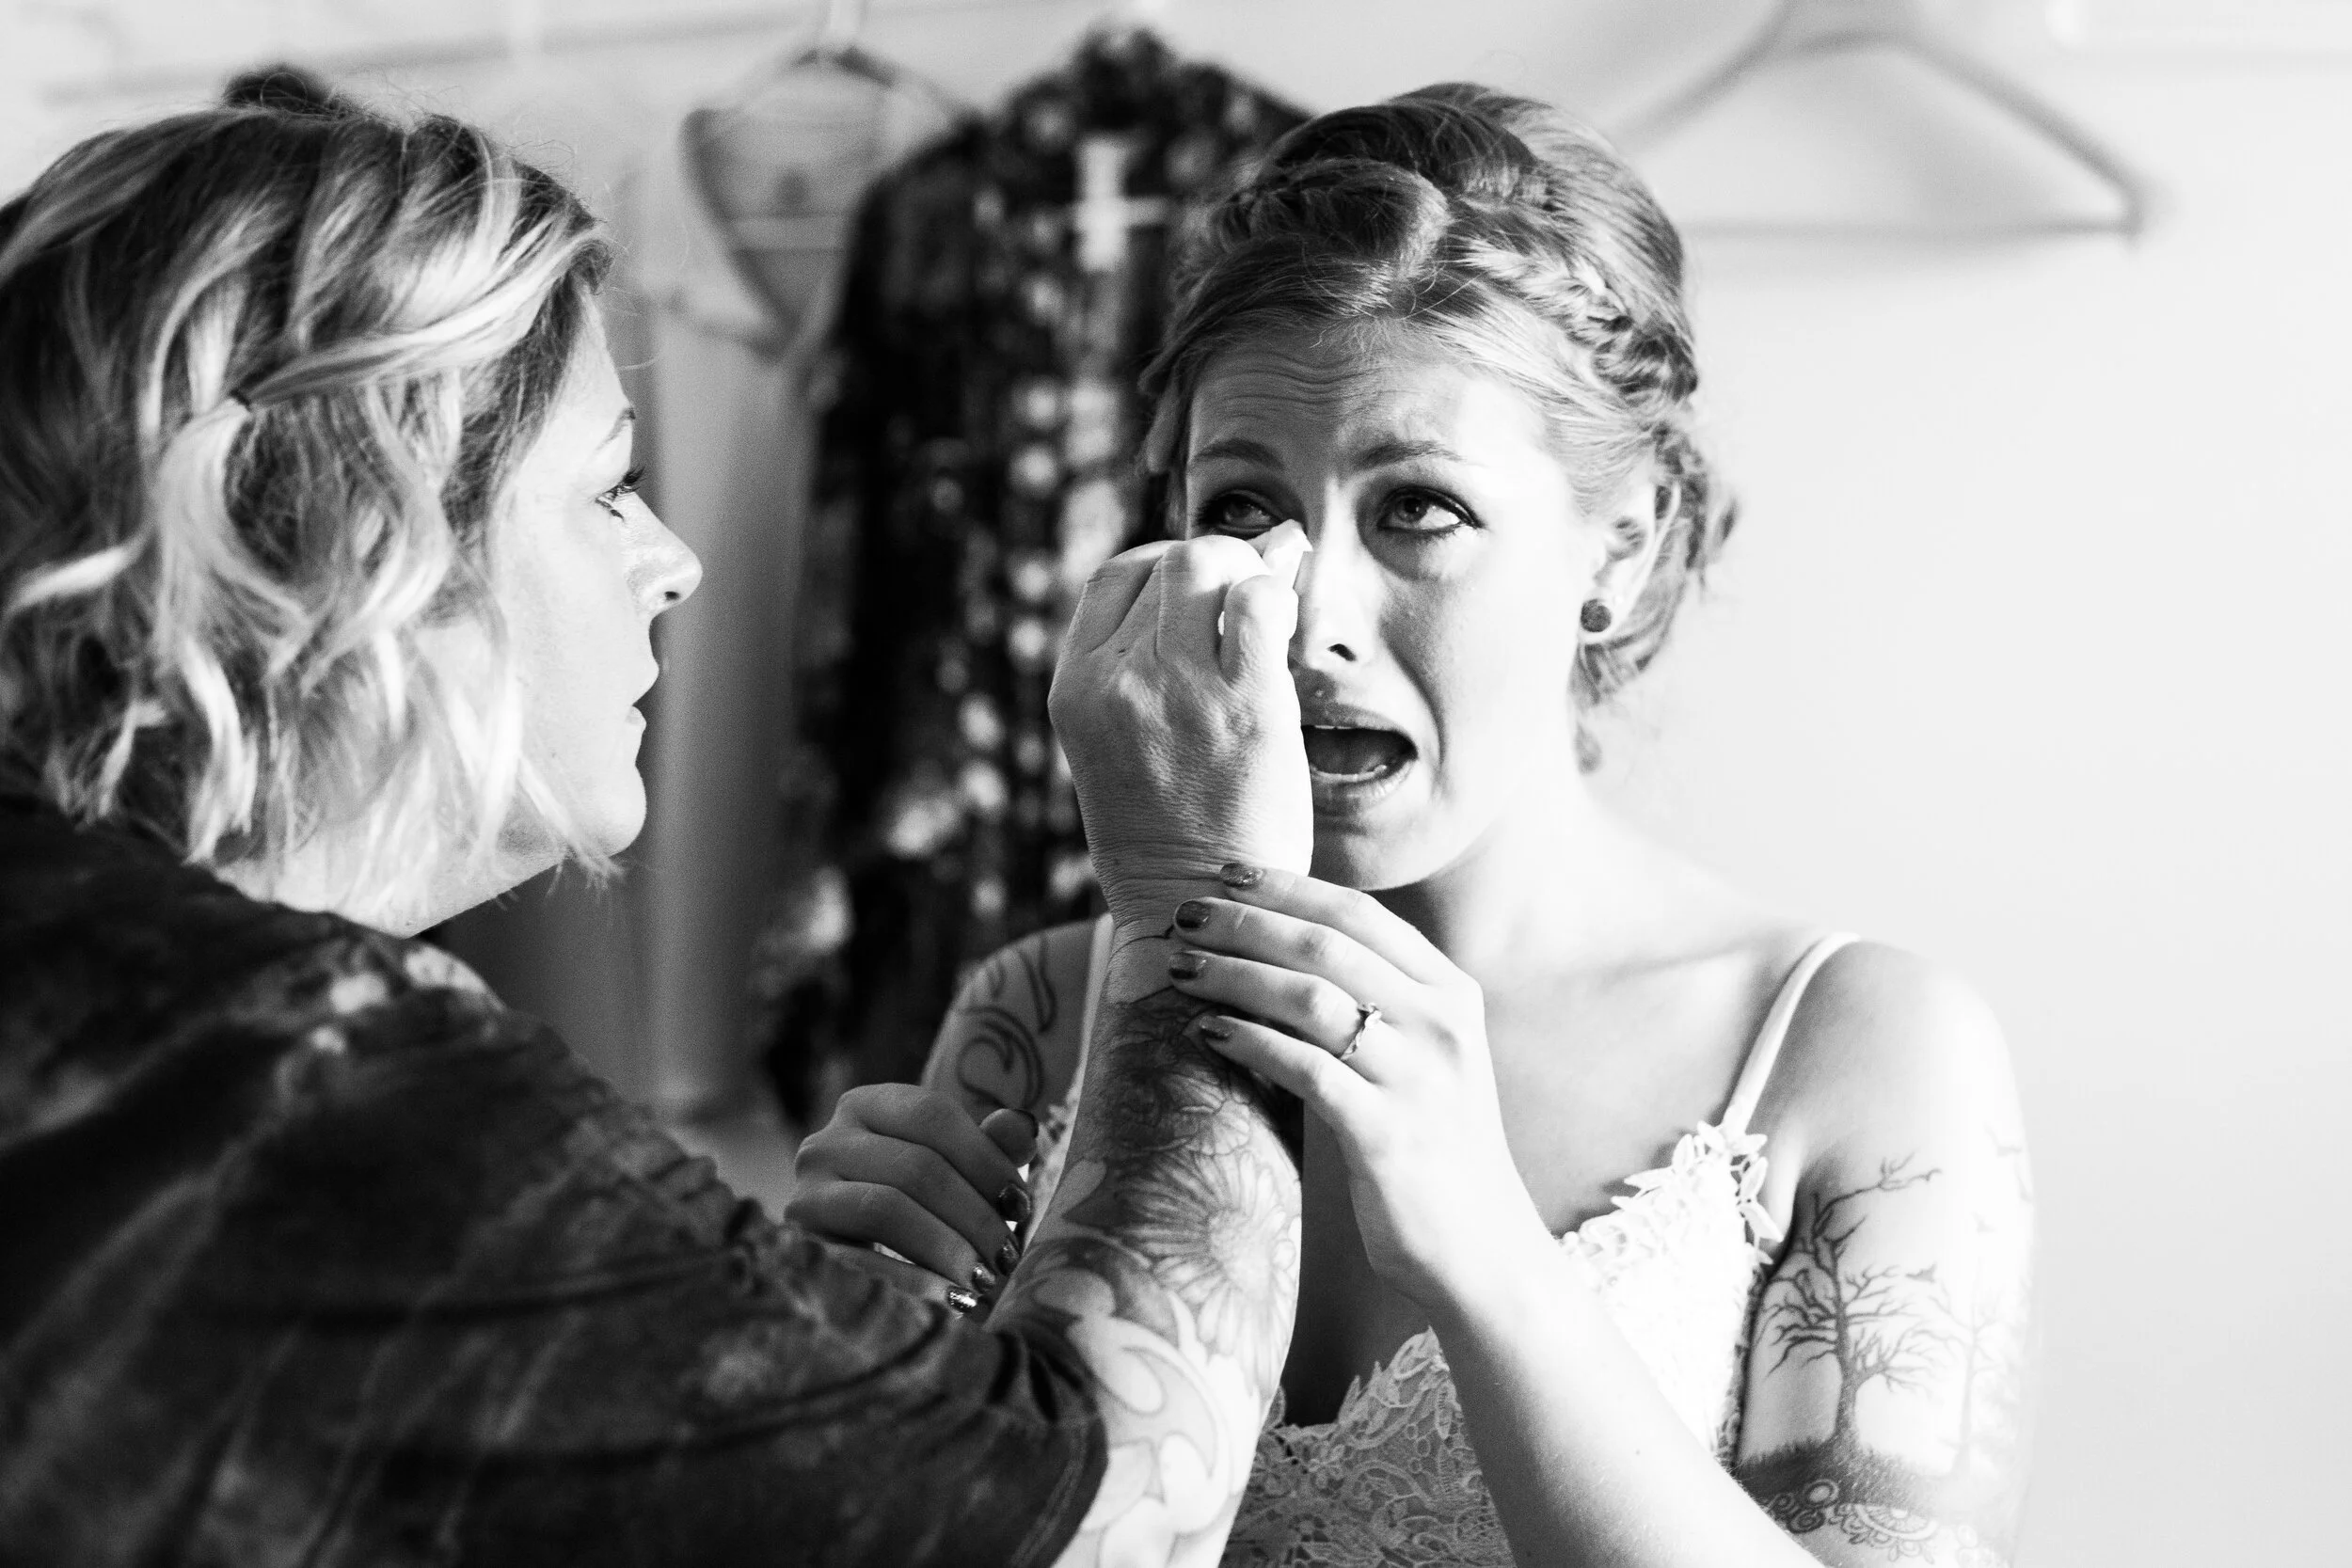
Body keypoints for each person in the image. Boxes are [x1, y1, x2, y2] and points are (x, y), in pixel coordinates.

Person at [0, 102, 1312, 1567]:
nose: (673, 562)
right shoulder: (323, 1084)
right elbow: (1117, 1518)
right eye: (609, 487)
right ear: (353, 526)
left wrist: (781, 1380)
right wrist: (1201, 891)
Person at [789, 85, 2036, 1566]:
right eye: (1242, 508)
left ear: (1620, 548)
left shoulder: (1858, 1047)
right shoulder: (1045, 1017)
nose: (1302, 610)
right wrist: (846, 1372)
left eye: (1417, 510)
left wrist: (1491, 1256)